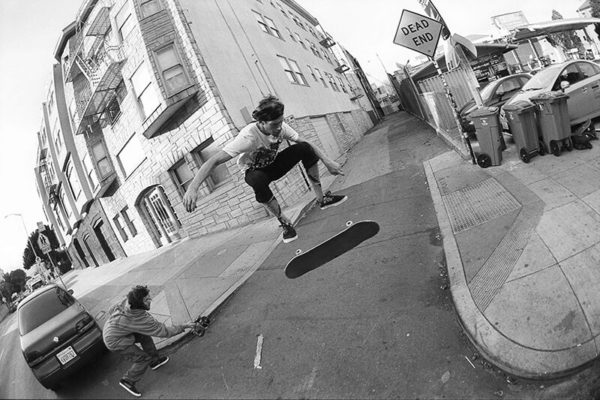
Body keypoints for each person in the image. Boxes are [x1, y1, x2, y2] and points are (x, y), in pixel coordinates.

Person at [183, 95, 347, 243]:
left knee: (304, 147)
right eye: (274, 125)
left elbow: (306, 142)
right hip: (255, 171)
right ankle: (284, 222)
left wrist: (328, 162)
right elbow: (214, 160)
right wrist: (193, 187)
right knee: (256, 180)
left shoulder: (281, 127)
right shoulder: (247, 137)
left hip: (274, 165)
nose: (279, 128)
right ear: (261, 122)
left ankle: (322, 199)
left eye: (280, 123)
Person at [102, 285, 197, 397]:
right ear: (139, 304)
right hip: (115, 341)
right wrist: (184, 326)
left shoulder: (128, 301)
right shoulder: (139, 320)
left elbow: (111, 309)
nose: (150, 300)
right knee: (142, 358)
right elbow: (164, 332)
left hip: (115, 330)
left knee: (144, 336)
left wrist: (119, 323)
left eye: (149, 297)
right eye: (147, 300)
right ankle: (128, 380)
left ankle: (155, 361)